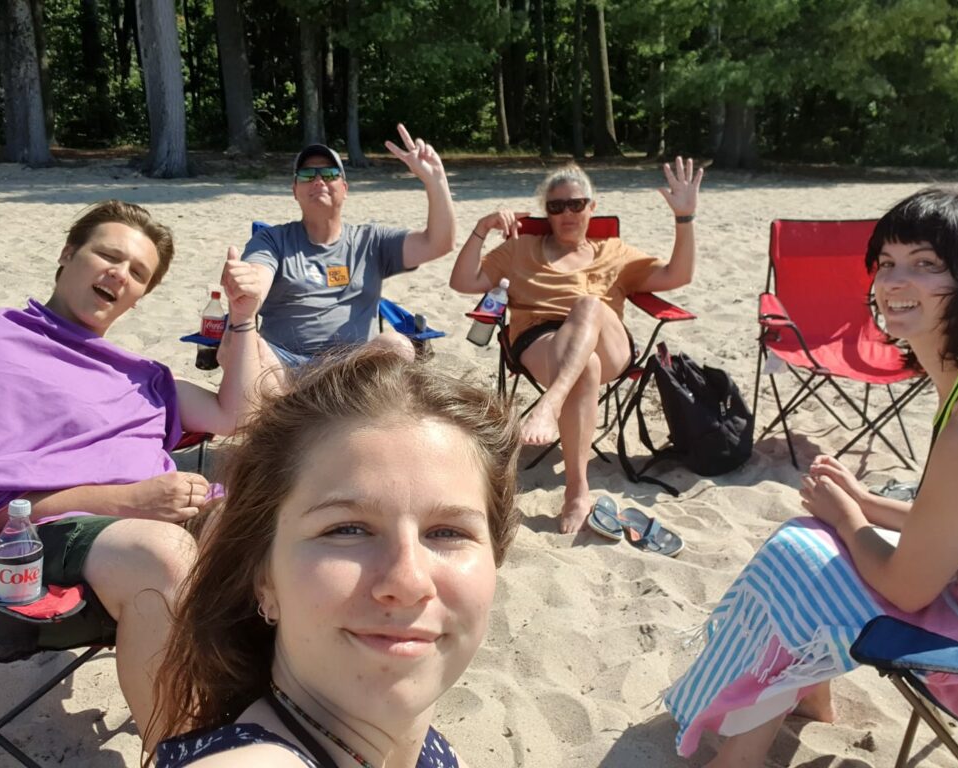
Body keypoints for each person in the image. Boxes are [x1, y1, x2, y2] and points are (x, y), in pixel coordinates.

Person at [665, 187, 958, 766]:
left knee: (804, 560)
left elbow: (908, 588)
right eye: (888, 263)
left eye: (926, 264)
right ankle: (806, 699)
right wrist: (866, 502)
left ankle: (741, 754)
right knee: (809, 542)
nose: (895, 282)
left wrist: (848, 517)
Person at [0, 200, 277, 744]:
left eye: (138, 273)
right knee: (162, 552)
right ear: (68, 254)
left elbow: (238, 415)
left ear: (139, 298)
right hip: (46, 547)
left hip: (167, 522)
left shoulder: (138, 375)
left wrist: (242, 316)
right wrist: (130, 501)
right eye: (109, 256)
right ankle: (182, 752)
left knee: (281, 532)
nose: (120, 274)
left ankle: (273, 724)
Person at [148, 346, 521, 767]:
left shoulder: (431, 751)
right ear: (263, 576)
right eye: (346, 529)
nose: (408, 580)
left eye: (448, 532)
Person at [449, 159, 703, 533]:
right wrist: (482, 229)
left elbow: (678, 275)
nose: (567, 213)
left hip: (607, 339)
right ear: (547, 212)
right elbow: (463, 282)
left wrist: (685, 218)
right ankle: (577, 491)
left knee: (589, 305)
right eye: (556, 206)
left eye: (576, 204)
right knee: (585, 366)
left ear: (591, 207)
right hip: (542, 339)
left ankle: (550, 404)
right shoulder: (520, 249)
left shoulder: (613, 251)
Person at [241, 124, 455, 366]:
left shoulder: (371, 242)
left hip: (354, 370)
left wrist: (435, 180)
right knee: (242, 346)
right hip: (284, 367)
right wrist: (246, 284)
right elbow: (256, 280)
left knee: (398, 345)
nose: (318, 180)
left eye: (329, 174)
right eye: (307, 175)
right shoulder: (272, 240)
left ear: (344, 189)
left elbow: (438, 243)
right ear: (295, 190)